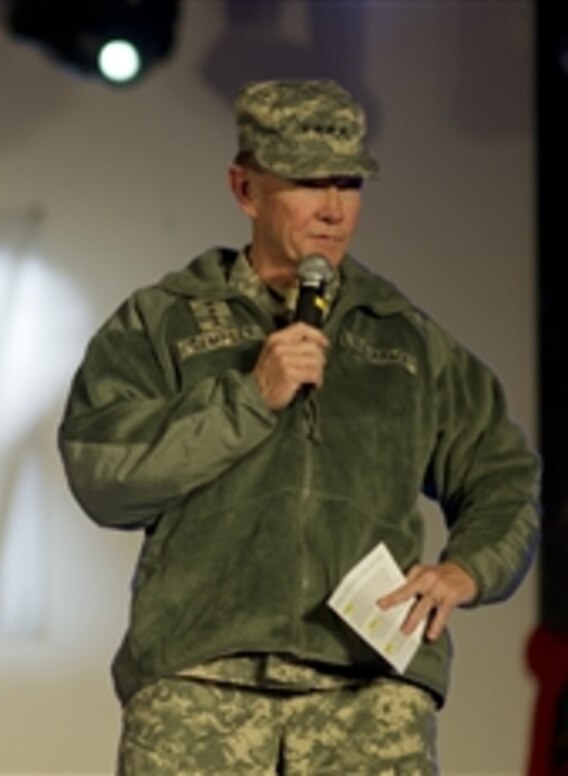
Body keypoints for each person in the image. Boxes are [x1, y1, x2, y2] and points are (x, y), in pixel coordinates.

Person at [57, 78, 541, 775]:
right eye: (309, 182)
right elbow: (103, 472)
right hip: (201, 684)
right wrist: (251, 397)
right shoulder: (165, 321)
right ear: (245, 189)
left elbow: (503, 472)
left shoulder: (404, 340)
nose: (335, 210)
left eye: (349, 182)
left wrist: (468, 569)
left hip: (369, 690)